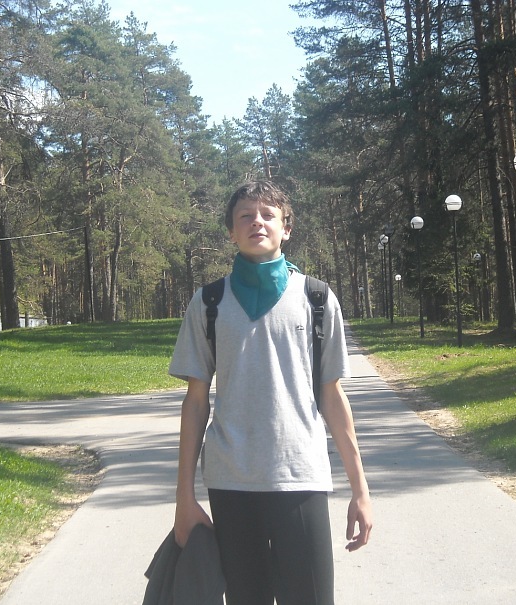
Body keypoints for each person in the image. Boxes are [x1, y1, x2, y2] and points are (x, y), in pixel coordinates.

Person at [168, 180, 372, 605]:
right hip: (230, 481)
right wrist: (184, 497)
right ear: (231, 232)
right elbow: (195, 402)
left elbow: (333, 397)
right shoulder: (208, 303)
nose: (256, 222)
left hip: (300, 475)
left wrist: (360, 489)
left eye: (268, 215)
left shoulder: (316, 299)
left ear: (286, 229)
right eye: (245, 216)